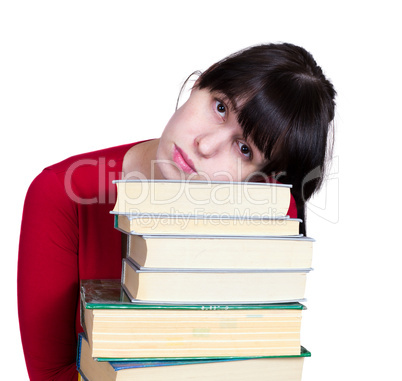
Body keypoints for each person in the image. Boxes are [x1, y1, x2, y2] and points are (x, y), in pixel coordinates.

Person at [18, 42, 336, 380]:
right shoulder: (61, 193)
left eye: (244, 149)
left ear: (257, 175)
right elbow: (52, 372)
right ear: (200, 83)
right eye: (220, 107)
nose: (205, 145)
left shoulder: (266, 211)